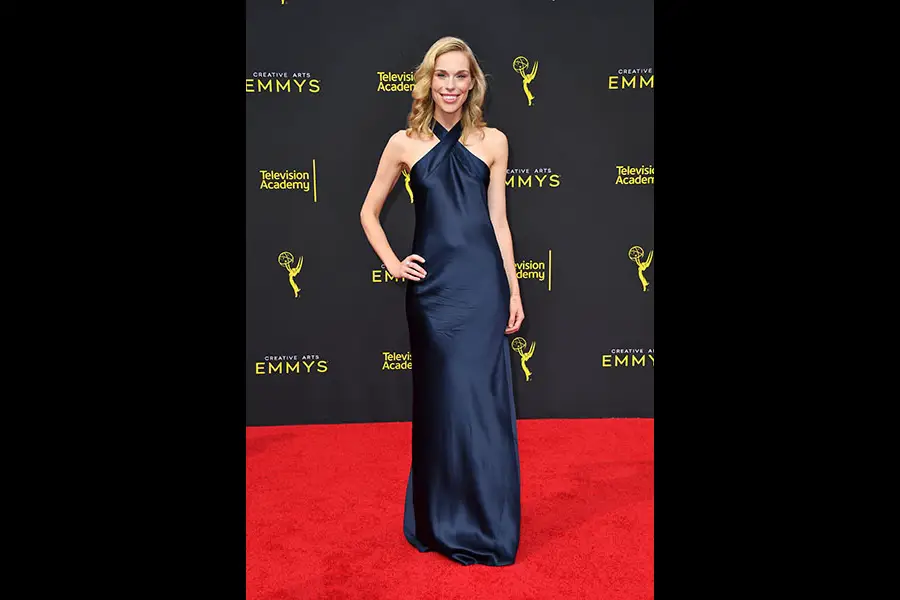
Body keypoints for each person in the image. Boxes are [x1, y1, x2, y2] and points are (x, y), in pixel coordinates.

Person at [360, 36, 524, 567]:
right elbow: (368, 212)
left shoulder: (494, 141)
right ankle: (439, 518)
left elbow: (498, 222)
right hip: (432, 297)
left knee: (483, 407)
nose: (450, 86)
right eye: (441, 75)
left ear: (473, 82)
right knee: (442, 405)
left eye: (460, 76)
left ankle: (489, 522)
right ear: (428, 81)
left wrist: (514, 287)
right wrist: (391, 262)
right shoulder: (403, 143)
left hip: (482, 290)